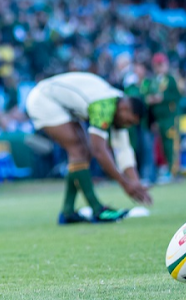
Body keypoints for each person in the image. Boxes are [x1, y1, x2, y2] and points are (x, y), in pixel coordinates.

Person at [25, 72, 152, 225]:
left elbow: (123, 148)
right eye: (129, 121)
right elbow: (99, 150)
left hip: (59, 103)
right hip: (43, 99)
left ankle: (68, 212)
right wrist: (125, 184)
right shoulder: (104, 105)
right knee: (78, 149)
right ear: (124, 108)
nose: (127, 125)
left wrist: (135, 182)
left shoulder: (118, 105)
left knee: (81, 152)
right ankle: (97, 210)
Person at [143, 53, 181, 182]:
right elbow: (146, 97)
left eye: (161, 64)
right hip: (158, 119)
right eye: (157, 65)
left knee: (171, 143)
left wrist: (162, 99)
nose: (159, 67)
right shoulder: (152, 81)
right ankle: (166, 169)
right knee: (162, 145)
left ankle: (173, 170)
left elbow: (177, 96)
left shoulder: (171, 79)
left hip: (170, 118)